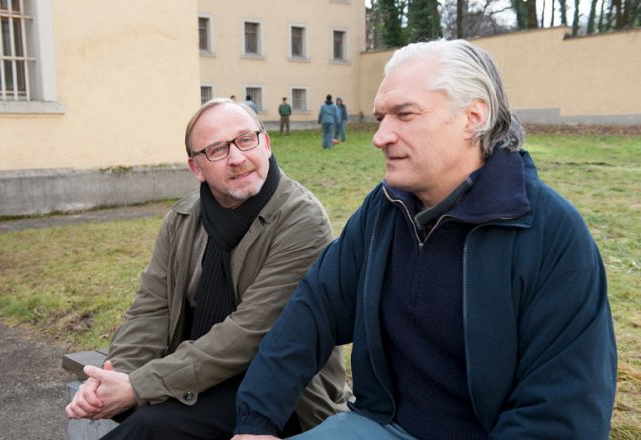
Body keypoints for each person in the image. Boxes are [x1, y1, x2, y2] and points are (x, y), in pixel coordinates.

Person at [232, 39, 617, 439]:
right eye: (382, 117)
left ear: (473, 117)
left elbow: (562, 412)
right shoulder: (384, 209)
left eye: (405, 114)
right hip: (379, 425)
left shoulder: (550, 235)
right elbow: (314, 311)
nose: (380, 136)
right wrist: (255, 421)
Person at [65, 98, 351, 439]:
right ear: (196, 167)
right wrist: (115, 375)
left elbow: (249, 333)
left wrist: (139, 385)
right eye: (217, 149)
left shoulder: (302, 219)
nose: (237, 157)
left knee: (150, 429)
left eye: (247, 139)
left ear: (267, 144)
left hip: (279, 394)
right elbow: (150, 309)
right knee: (144, 421)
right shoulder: (183, 219)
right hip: (193, 376)